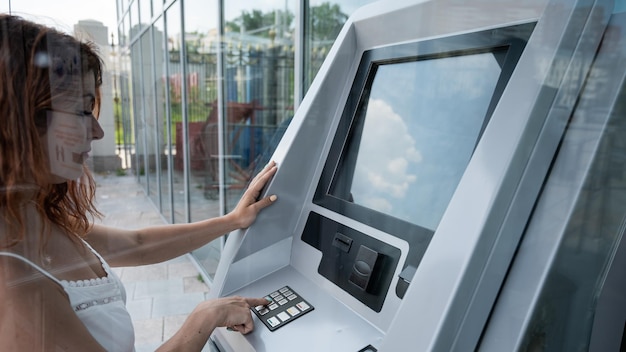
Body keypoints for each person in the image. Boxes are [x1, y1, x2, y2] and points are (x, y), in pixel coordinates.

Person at [0, 14, 278, 351]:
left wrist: (233, 220)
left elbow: (138, 243)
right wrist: (204, 317)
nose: (98, 131)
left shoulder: (35, 217)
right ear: (18, 121)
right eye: (81, 111)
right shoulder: (13, 283)